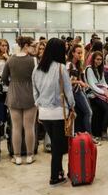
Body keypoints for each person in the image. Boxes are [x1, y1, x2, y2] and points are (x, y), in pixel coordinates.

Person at [32, 38, 75, 186]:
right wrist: (72, 106)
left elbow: (35, 92)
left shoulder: (37, 69)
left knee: (57, 144)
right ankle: (54, 177)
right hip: (58, 112)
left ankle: (59, 171)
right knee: (58, 147)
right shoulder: (61, 68)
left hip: (43, 113)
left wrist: (38, 105)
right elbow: (68, 91)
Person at [2, 36, 37, 165]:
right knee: (29, 127)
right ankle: (29, 155)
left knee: (16, 127)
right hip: (30, 95)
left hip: (14, 95)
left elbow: (4, 78)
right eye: (32, 46)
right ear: (26, 45)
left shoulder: (10, 60)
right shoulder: (33, 61)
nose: (34, 48)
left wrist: (12, 83)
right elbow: (36, 79)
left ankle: (16, 157)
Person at [66, 44, 94, 140]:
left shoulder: (77, 64)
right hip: (73, 92)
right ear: (73, 53)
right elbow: (65, 81)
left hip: (78, 91)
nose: (80, 55)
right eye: (78, 53)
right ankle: (89, 136)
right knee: (88, 112)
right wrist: (79, 82)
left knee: (85, 112)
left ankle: (85, 135)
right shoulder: (69, 64)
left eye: (81, 53)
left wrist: (82, 83)